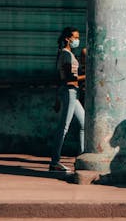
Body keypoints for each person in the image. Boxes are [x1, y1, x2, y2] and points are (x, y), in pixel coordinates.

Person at [49, 26, 86, 172]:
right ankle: (54, 162)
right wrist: (89, 76)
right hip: (70, 92)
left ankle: (82, 158)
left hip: (72, 92)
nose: (77, 40)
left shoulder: (68, 54)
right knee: (63, 127)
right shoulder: (67, 55)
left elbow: (61, 79)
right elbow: (70, 79)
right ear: (68, 39)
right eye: (75, 37)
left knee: (84, 124)